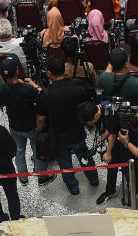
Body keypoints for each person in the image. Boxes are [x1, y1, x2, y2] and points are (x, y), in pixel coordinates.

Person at [36, 56, 99, 195]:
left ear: (49, 73)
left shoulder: (45, 94)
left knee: (65, 162)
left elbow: (40, 119)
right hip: (77, 132)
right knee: (84, 156)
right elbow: (87, 107)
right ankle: (93, 178)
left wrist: (39, 131)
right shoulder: (78, 85)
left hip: (58, 135)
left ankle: (73, 186)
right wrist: (89, 123)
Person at [78, 101, 138, 206]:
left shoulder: (110, 113)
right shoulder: (103, 105)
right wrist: (102, 139)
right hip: (119, 138)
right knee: (112, 167)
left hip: (128, 139)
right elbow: (111, 128)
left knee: (130, 167)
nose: (90, 124)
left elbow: (112, 134)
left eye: (90, 122)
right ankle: (110, 191)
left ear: (96, 115)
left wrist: (108, 153)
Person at [0, 56, 48, 187]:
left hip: (14, 126)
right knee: (37, 150)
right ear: (17, 69)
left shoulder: (0, 89)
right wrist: (30, 83)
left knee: (19, 150)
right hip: (31, 126)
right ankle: (41, 177)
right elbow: (42, 94)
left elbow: (0, 106)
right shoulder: (27, 89)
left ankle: (23, 178)